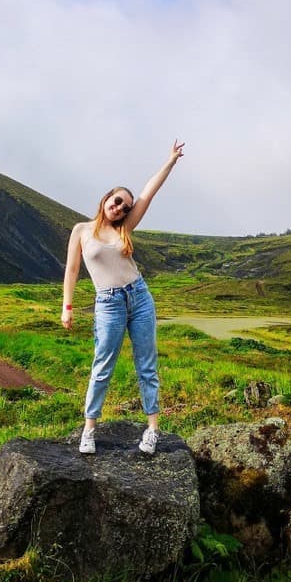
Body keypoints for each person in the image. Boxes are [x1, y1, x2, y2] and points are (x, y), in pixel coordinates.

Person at [61, 140, 185, 456]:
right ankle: (89, 429)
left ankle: (153, 429)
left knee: (146, 365)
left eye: (125, 207)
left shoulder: (124, 228)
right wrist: (68, 306)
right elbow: (72, 271)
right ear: (106, 199)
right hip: (108, 303)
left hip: (139, 297)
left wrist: (170, 161)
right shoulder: (81, 230)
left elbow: (148, 193)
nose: (120, 208)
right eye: (117, 201)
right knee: (102, 365)